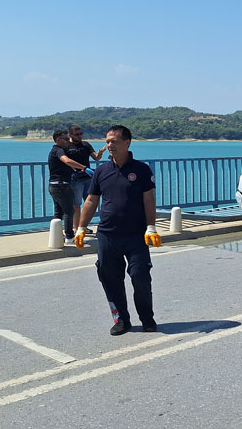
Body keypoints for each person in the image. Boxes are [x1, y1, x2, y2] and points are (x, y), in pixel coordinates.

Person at [75, 125, 162, 336]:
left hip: (136, 235)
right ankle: (122, 319)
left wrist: (151, 227)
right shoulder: (102, 171)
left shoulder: (141, 170)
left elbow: (148, 199)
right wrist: (80, 228)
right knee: (110, 279)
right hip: (107, 235)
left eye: (114, 141)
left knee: (140, 276)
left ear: (127, 142)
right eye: (107, 141)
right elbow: (91, 200)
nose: (109, 145)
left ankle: (147, 318)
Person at [48, 129, 90, 243]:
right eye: (66, 139)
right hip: (61, 186)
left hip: (54, 185)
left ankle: (55, 237)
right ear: (57, 140)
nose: (68, 141)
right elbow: (66, 160)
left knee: (58, 212)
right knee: (69, 211)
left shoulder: (55, 150)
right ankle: (70, 237)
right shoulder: (59, 150)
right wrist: (84, 168)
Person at [67, 124, 105, 233]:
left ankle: (83, 226)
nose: (80, 136)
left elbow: (96, 158)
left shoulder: (85, 145)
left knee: (90, 202)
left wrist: (100, 153)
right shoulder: (67, 146)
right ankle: (76, 228)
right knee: (76, 205)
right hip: (75, 178)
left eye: (81, 134)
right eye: (77, 134)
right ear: (71, 134)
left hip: (87, 177)